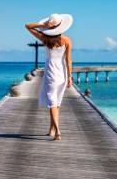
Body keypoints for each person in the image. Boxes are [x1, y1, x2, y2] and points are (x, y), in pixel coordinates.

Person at [25, 13, 73, 141]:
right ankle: (51, 129)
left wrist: (42, 25)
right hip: (62, 72)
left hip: (51, 72)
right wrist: (69, 77)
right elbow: (68, 60)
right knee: (56, 103)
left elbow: (28, 26)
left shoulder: (44, 38)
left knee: (52, 102)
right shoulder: (67, 40)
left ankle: (57, 131)